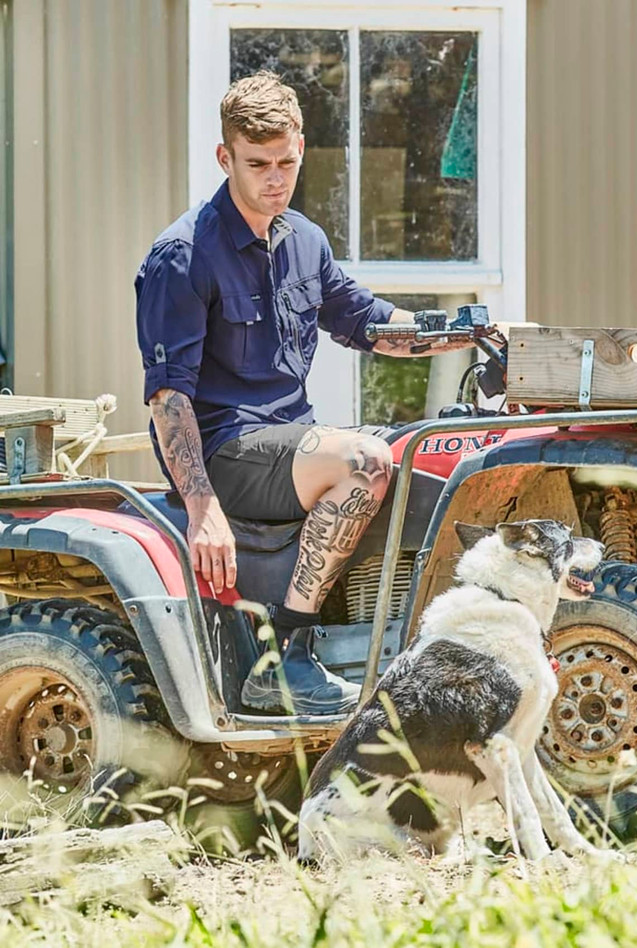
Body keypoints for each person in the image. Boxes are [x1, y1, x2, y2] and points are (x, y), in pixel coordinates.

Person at [135, 71, 473, 716]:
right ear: (224, 157)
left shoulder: (305, 240)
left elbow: (368, 324)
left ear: (301, 149)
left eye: (286, 162)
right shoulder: (183, 255)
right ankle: (284, 660)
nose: (275, 178)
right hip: (224, 450)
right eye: (257, 163)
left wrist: (467, 332)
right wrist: (200, 506)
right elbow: (168, 400)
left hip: (286, 439)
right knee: (364, 462)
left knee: (426, 462)